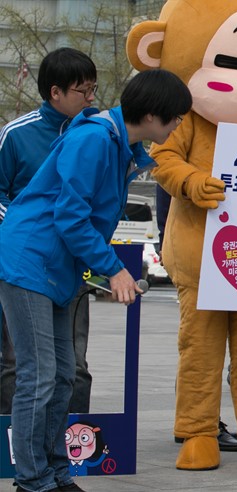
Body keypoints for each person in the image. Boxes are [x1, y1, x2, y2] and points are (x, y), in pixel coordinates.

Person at [0, 68, 191, 492]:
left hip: (58, 267)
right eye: (177, 116)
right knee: (38, 375)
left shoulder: (120, 145)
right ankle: (31, 480)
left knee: (63, 376)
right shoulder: (94, 139)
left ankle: (56, 472)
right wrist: (114, 268)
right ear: (154, 113)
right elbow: (70, 216)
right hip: (29, 259)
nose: (179, 124)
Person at [0, 48, 97, 416]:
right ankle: (13, 440)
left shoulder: (94, 134)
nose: (91, 98)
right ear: (55, 92)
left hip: (72, 263)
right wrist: (25, 228)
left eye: (93, 89)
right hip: (25, 266)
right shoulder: (16, 134)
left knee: (74, 363)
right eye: (83, 91)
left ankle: (71, 440)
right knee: (19, 363)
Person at [156, 185, 237, 451]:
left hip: (236, 241)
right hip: (197, 244)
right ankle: (199, 424)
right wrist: (166, 240)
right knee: (201, 345)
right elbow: (167, 189)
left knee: (201, 344)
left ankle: (194, 422)